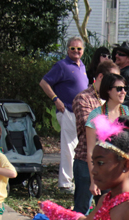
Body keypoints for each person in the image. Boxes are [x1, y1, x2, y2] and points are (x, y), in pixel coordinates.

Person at [69, 59, 120, 220]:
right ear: (100, 78)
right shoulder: (83, 99)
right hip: (85, 160)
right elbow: (91, 125)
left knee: (107, 206)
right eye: (111, 82)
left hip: (109, 163)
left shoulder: (114, 101)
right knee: (82, 204)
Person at [40, 36, 88, 190]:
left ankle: (75, 179)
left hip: (80, 113)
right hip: (67, 111)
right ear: (67, 49)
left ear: (83, 50)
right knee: (69, 147)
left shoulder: (82, 66)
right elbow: (44, 83)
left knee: (79, 147)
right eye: (72, 48)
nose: (76, 51)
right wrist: (56, 99)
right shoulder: (62, 65)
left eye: (79, 48)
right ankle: (65, 183)